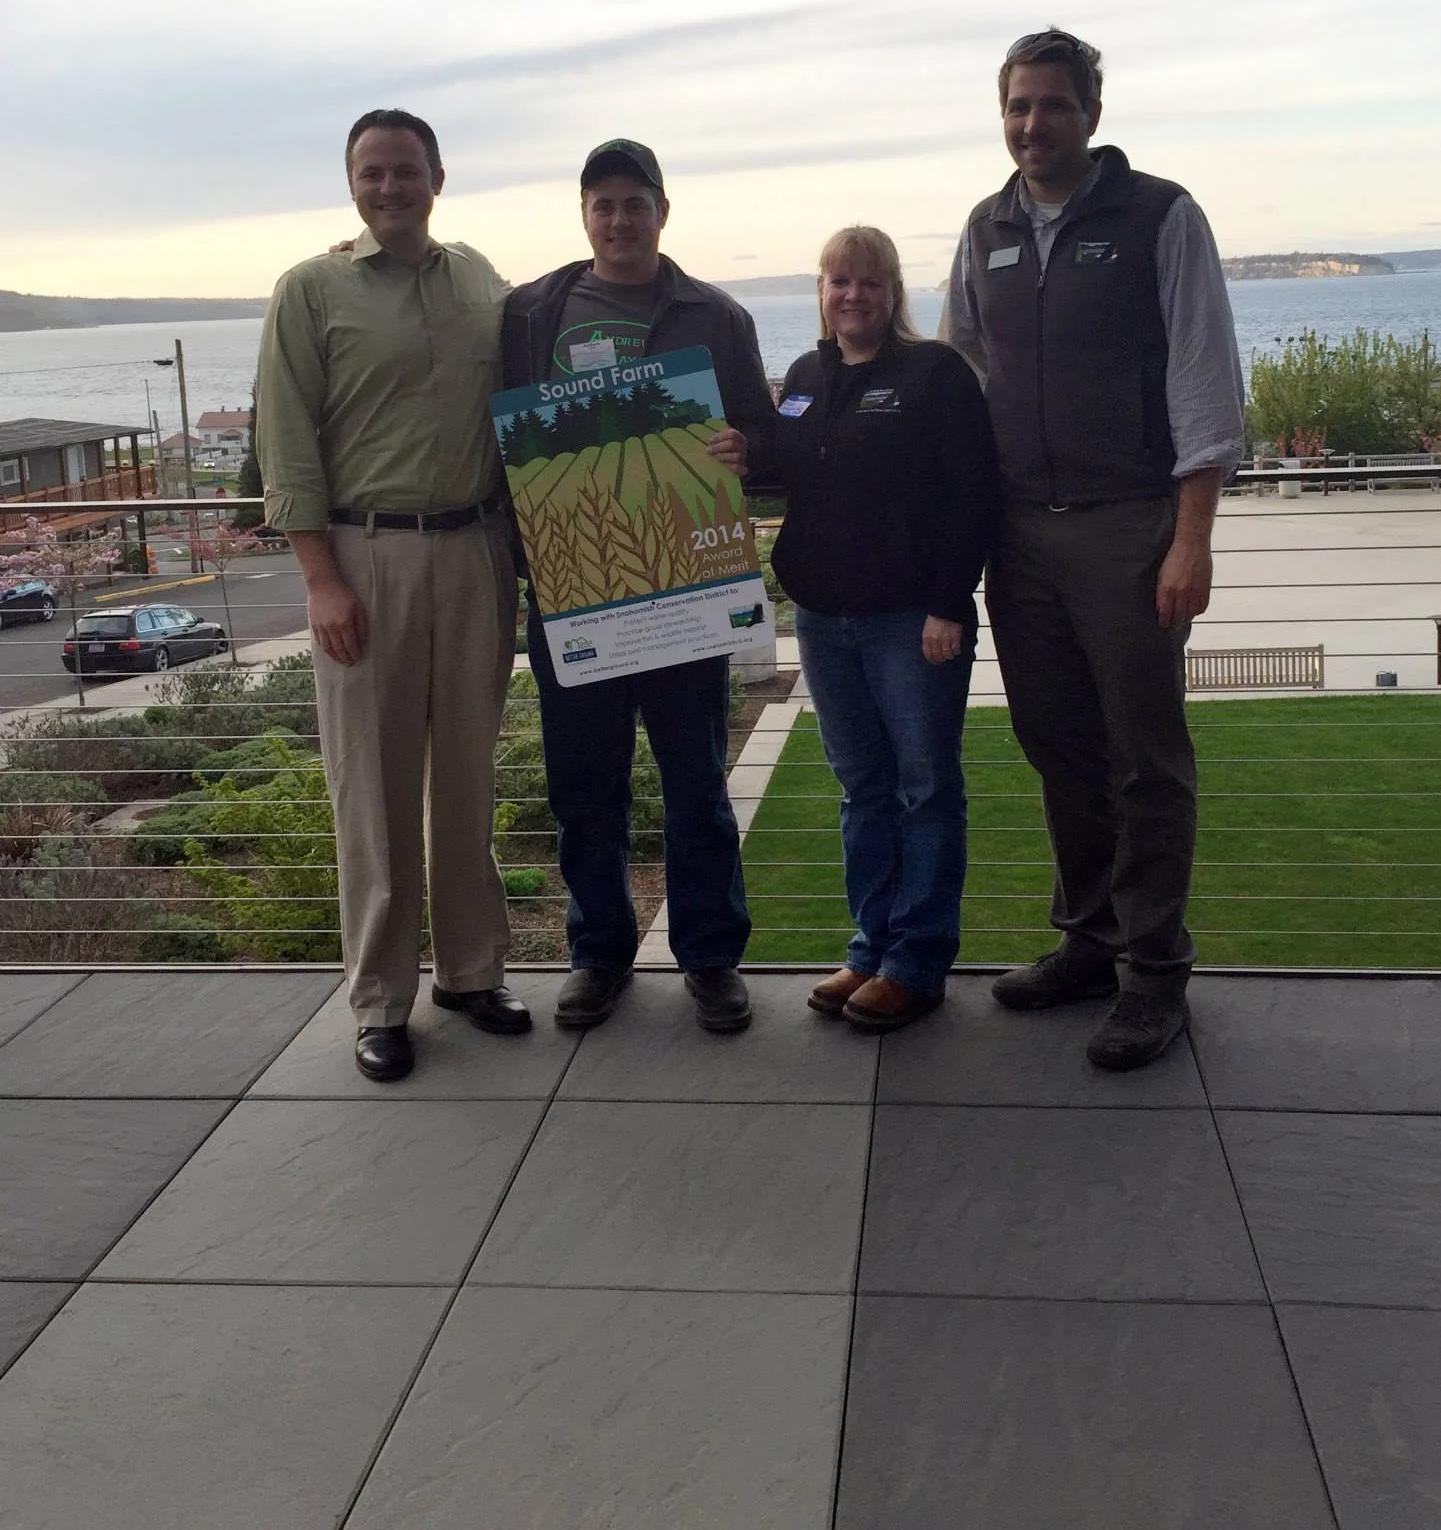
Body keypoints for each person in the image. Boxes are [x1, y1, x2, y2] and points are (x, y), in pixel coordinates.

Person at [941, 29, 1245, 1070]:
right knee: (1057, 745)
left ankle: (1154, 973)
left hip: (1129, 527)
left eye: (1053, 105)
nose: (1033, 124)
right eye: (1018, 106)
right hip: (1019, 533)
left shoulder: (1160, 215)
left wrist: (1191, 540)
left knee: (1145, 757)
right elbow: (961, 373)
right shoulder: (985, 228)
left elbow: (1204, 381)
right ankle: (1089, 941)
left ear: (1092, 113)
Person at [256, 109, 530, 1082]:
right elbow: (285, 441)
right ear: (351, 183)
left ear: (437, 178)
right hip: (364, 559)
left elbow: (535, 390)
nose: (388, 187)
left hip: (476, 550)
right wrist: (319, 578)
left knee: (467, 776)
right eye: (371, 172)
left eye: (405, 170)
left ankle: (470, 971)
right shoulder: (310, 289)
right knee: (371, 791)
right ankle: (379, 1000)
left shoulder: (481, 280)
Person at [500, 138, 779, 1034]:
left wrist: (746, 448)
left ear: (663, 210)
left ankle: (710, 956)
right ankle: (599, 954)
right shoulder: (530, 311)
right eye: (604, 204)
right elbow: (492, 428)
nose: (619, 219)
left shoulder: (716, 315)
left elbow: (765, 436)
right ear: (585, 216)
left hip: (684, 590)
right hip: (571, 587)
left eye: (635, 203)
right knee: (585, 787)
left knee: (696, 781)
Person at [716, 226, 997, 1031]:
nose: (853, 295)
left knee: (925, 790)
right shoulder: (808, 376)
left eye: (870, 281)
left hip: (911, 622)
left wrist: (949, 604)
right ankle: (871, 949)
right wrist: (743, 453)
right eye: (839, 280)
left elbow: (974, 493)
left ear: (893, 292)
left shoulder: (935, 373)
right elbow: (790, 466)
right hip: (824, 621)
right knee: (863, 790)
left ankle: (917, 963)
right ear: (821, 291)